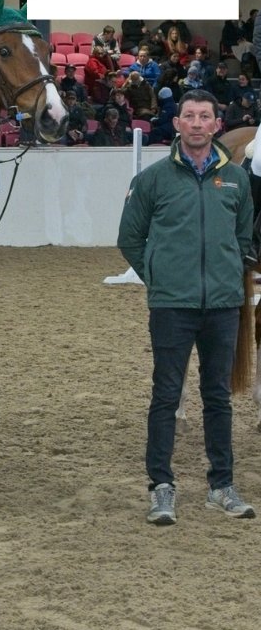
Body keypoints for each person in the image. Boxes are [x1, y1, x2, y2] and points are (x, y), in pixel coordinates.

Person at [117, 89, 256, 526]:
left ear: (217, 125)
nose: (197, 123)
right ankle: (162, 486)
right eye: (189, 116)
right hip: (172, 307)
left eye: (205, 117)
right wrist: (159, 276)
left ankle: (222, 485)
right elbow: (130, 239)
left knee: (218, 397)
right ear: (177, 125)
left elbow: (245, 239)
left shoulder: (236, 180)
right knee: (165, 396)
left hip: (222, 306)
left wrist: (227, 270)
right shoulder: (153, 180)